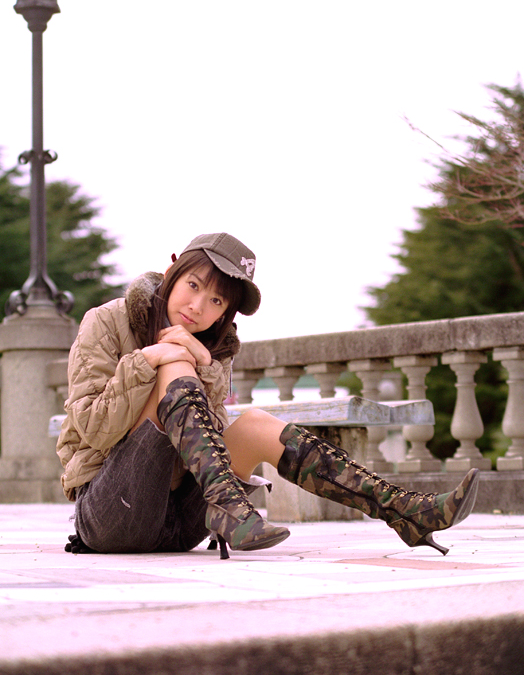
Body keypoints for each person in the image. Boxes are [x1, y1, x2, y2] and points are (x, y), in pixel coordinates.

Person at [57, 232, 480, 560]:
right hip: (114, 515)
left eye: (216, 300)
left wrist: (203, 363)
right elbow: (92, 428)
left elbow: (206, 440)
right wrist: (151, 358)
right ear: (171, 271)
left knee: (255, 424)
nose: (198, 306)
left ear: (225, 311)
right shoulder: (106, 321)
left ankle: (404, 510)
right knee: (172, 364)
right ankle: (228, 505)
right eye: (193, 285)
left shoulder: (214, 347)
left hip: (181, 523)